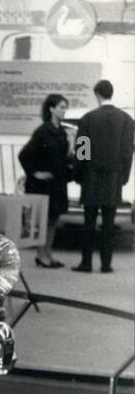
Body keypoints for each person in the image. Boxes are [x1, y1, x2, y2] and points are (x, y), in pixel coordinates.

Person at [73, 79, 134, 273]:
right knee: (108, 224)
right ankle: (106, 265)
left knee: (88, 223)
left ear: (97, 94)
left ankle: (86, 263)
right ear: (111, 93)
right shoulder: (126, 120)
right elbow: (127, 152)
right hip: (114, 178)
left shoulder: (88, 118)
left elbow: (82, 150)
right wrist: (124, 177)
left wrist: (79, 175)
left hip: (91, 178)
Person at [18, 93, 71, 269]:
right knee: (44, 220)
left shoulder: (62, 131)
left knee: (54, 220)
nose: (64, 111)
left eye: (65, 107)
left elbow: (64, 156)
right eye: (61, 107)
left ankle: (48, 253)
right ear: (51, 109)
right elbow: (24, 155)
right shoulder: (42, 131)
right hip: (43, 186)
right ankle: (41, 256)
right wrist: (35, 173)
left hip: (57, 184)